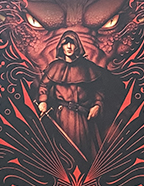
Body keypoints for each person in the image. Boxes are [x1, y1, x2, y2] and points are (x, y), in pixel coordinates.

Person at [37, 30, 109, 161]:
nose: (69, 47)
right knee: (62, 153)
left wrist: (97, 105)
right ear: (61, 46)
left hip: (84, 116)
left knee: (86, 154)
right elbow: (44, 86)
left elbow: (99, 90)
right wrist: (43, 102)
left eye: (72, 43)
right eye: (66, 43)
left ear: (77, 45)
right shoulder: (54, 67)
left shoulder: (88, 67)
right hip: (61, 116)